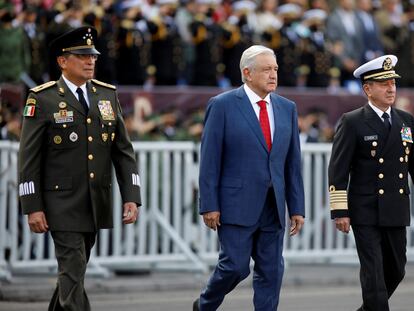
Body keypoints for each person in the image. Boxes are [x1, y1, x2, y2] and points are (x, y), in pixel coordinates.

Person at [18, 26, 142, 311]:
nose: (90, 61)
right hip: (60, 203)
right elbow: (29, 158)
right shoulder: (43, 98)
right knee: (73, 271)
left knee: (73, 274)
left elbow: (123, 151)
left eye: (93, 56)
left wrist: (131, 195)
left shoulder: (106, 96)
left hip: (95, 202)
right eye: (82, 56)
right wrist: (32, 206)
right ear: (62, 61)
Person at [194, 45, 305, 311]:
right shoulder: (222, 105)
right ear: (247, 73)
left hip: (273, 205)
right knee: (234, 267)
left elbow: (292, 163)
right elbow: (210, 160)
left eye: (275, 69)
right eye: (266, 69)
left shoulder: (286, 107)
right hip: (235, 204)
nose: (273, 74)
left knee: (271, 272)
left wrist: (297, 207)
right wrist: (209, 204)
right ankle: (205, 304)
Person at [328, 54, 413, 311]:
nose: (391, 88)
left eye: (393, 83)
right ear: (367, 89)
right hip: (366, 209)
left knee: (396, 270)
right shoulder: (353, 121)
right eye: (384, 83)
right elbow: (338, 169)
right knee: (374, 276)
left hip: (396, 208)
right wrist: (340, 211)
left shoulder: (406, 121)